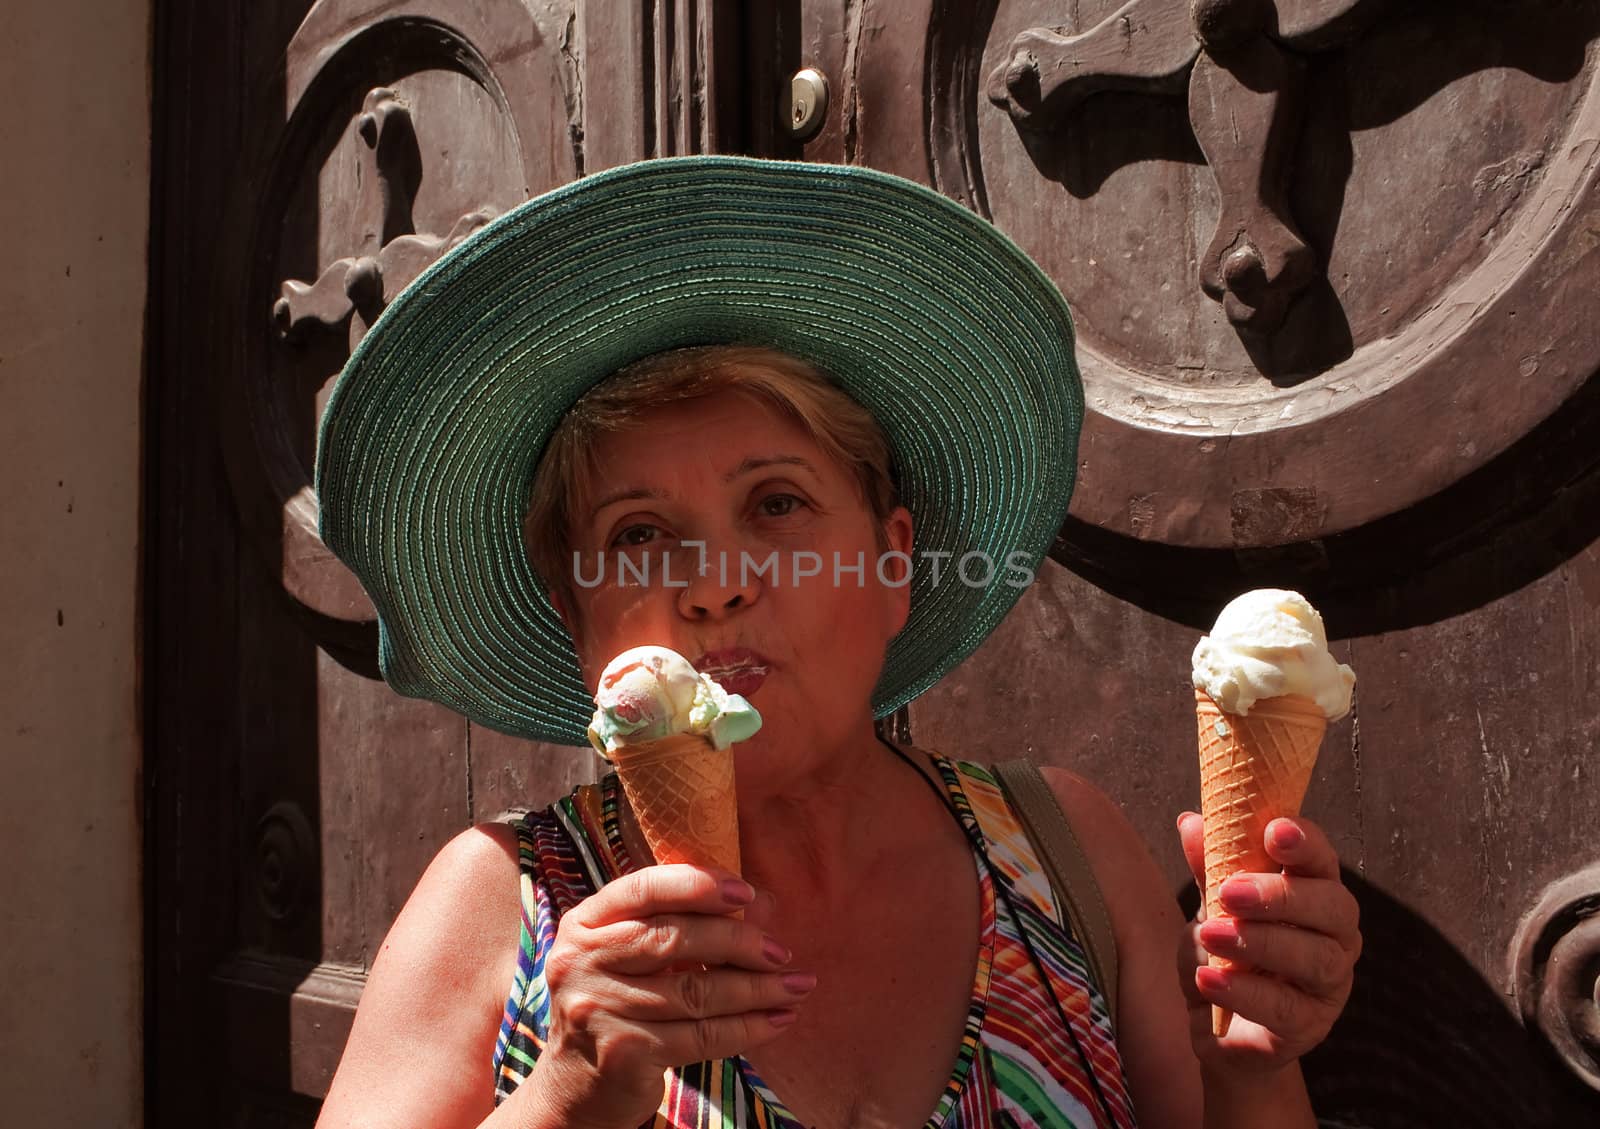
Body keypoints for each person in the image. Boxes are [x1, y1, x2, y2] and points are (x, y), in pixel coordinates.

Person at [311, 158, 1361, 1129]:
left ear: (892, 563)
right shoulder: (502, 898)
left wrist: (1251, 1062)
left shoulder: (1063, 853)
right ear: (572, 613)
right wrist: (564, 1094)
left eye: (776, 502)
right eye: (637, 533)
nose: (715, 584)